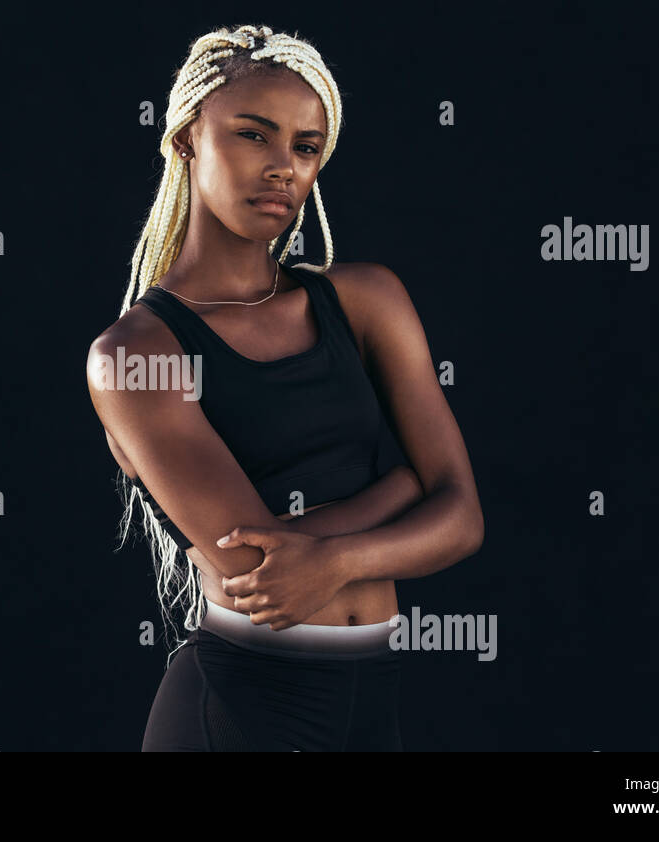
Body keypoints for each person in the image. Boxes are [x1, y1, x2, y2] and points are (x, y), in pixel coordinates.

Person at [85, 24, 484, 751]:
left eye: (304, 147)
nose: (282, 168)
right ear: (185, 140)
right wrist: (402, 489)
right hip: (239, 707)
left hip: (372, 702)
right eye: (253, 135)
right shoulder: (136, 351)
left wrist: (336, 558)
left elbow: (464, 519)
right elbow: (255, 569)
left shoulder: (367, 300)